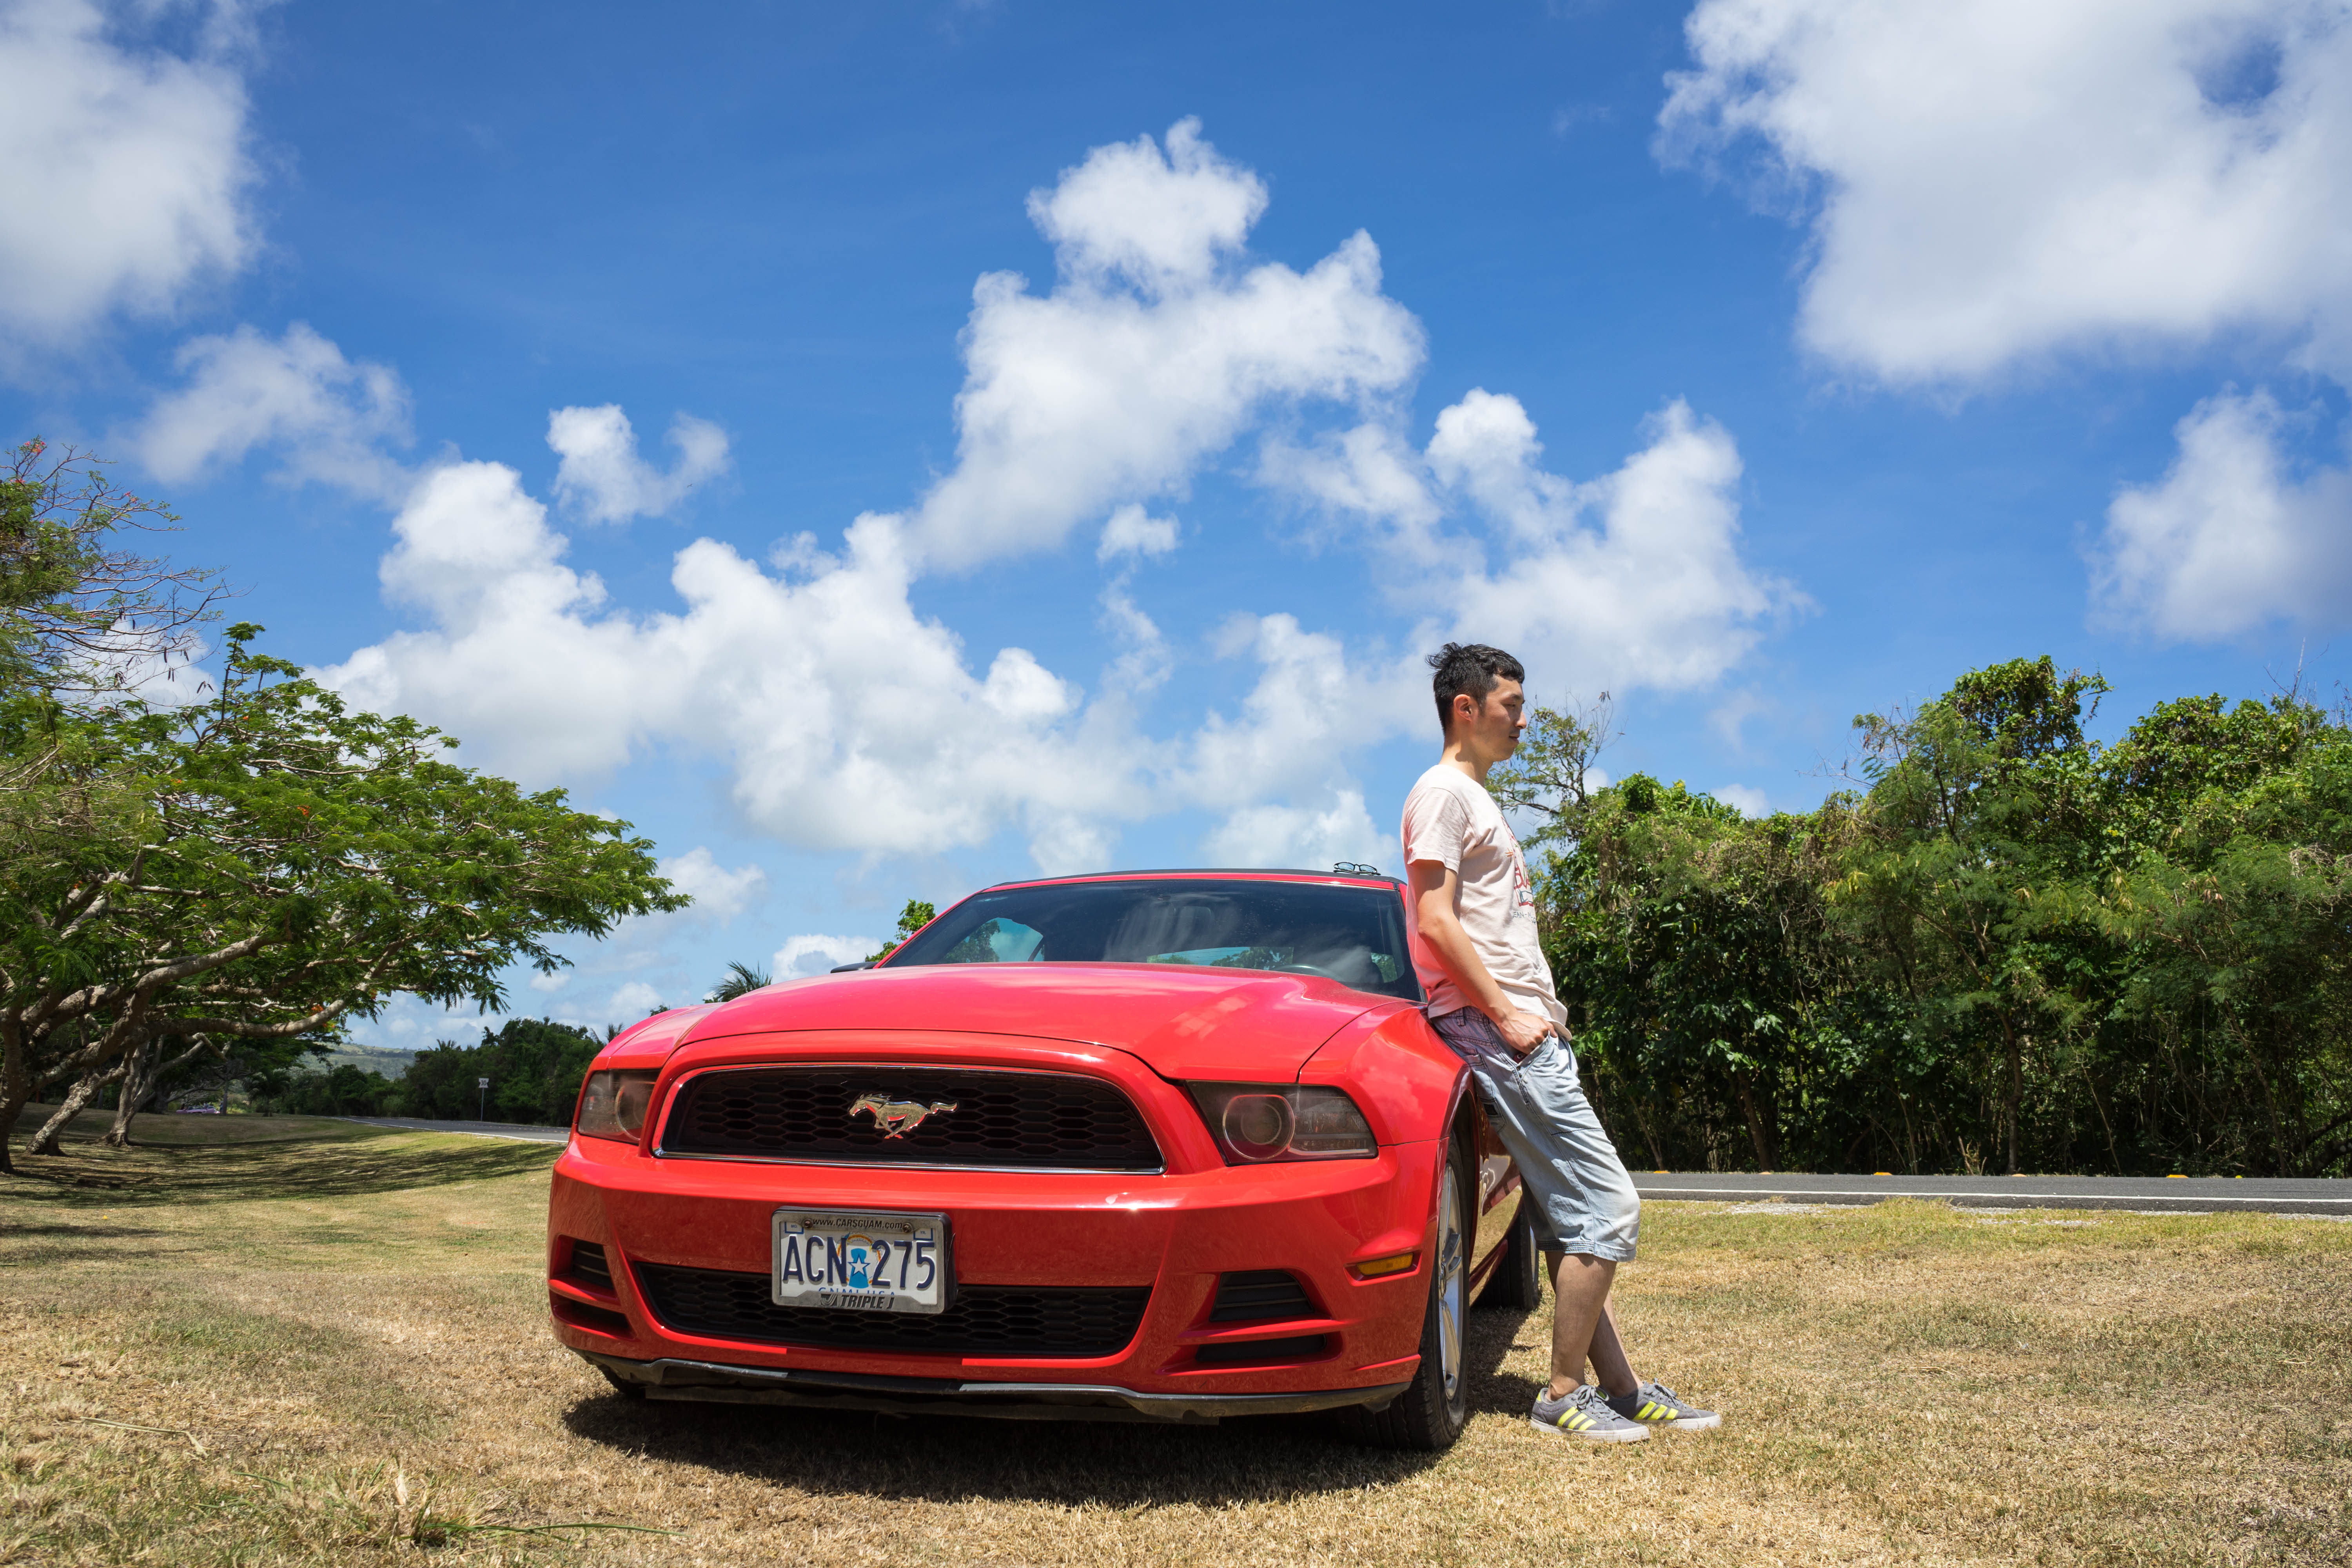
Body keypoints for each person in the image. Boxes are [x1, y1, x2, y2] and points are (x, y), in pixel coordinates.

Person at [1401, 642, 1720, 1445]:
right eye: (1511, 704)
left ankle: (1620, 1387)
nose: (1523, 717)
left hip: (1519, 1027)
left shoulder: (1475, 797)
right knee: (1608, 1204)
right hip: (1499, 1031)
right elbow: (1434, 919)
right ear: (1465, 709)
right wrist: (1507, 1013)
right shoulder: (1443, 792)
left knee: (1569, 1218)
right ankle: (1562, 1394)